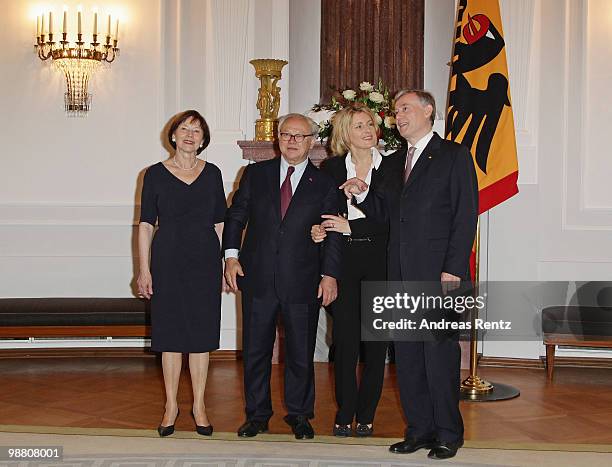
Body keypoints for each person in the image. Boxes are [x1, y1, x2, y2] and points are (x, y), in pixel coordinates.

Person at [340, 90, 478, 459]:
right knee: (408, 356)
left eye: (405, 108)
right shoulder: (394, 161)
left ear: (428, 110)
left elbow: (465, 216)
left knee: (438, 354)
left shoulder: (453, 155)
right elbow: (384, 215)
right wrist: (360, 195)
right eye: (395, 111)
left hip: (438, 274)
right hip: (396, 273)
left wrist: (453, 268)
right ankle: (419, 430)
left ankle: (448, 432)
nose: (397, 116)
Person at [223, 113, 343, 440]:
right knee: (256, 351)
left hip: (303, 280)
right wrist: (231, 258)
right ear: (278, 138)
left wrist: (329, 275)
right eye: (286, 134)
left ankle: (300, 414)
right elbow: (235, 217)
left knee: (300, 353)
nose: (292, 140)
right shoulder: (255, 174)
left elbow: (332, 232)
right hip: (257, 277)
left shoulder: (324, 183)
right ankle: (257, 414)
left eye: (299, 136)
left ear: (311, 142)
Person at [137, 110, 226, 437]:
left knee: (201, 337)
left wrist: (221, 263)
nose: (190, 134)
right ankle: (171, 405)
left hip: (203, 261)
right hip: (167, 260)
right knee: (171, 336)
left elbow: (220, 223)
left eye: (197, 130)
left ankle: (199, 405)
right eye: (185, 129)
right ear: (173, 135)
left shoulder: (213, 173)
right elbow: (146, 225)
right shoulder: (154, 175)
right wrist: (143, 270)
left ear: (203, 139)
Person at [310, 105, 389, 437]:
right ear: (344, 132)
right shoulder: (329, 169)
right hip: (342, 262)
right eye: (359, 125)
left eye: (370, 123)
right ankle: (345, 411)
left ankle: (367, 413)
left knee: (376, 343)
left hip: (381, 261)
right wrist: (318, 229)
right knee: (344, 342)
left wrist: (352, 224)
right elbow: (321, 212)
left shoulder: (394, 167)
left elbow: (393, 220)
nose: (367, 129)